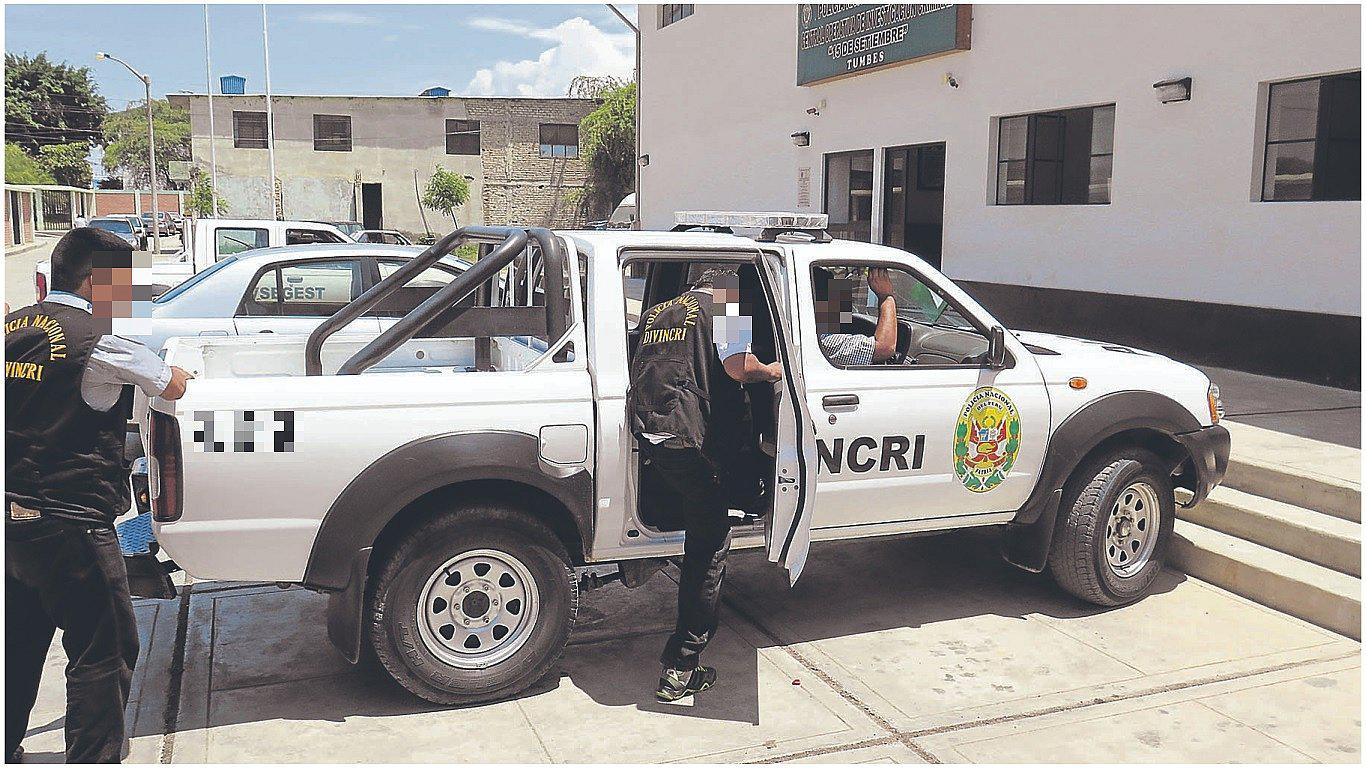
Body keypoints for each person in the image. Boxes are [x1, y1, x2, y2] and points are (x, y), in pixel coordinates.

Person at [6, 227, 193, 764]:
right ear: (93, 282)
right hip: (73, 523)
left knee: (19, 643)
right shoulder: (99, 342)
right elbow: (170, 383)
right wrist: (182, 371)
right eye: (125, 287)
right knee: (103, 648)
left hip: (13, 523)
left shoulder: (11, 327)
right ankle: (93, 757)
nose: (132, 300)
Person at [628, 267, 782, 702]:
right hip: (694, 439)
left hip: (654, 433)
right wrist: (770, 370)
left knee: (698, 516)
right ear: (726, 282)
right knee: (709, 547)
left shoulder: (661, 311)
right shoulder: (727, 303)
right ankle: (681, 666)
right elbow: (738, 367)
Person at [812, 266, 899, 366]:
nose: (842, 296)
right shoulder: (825, 342)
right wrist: (886, 296)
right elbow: (885, 348)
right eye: (834, 292)